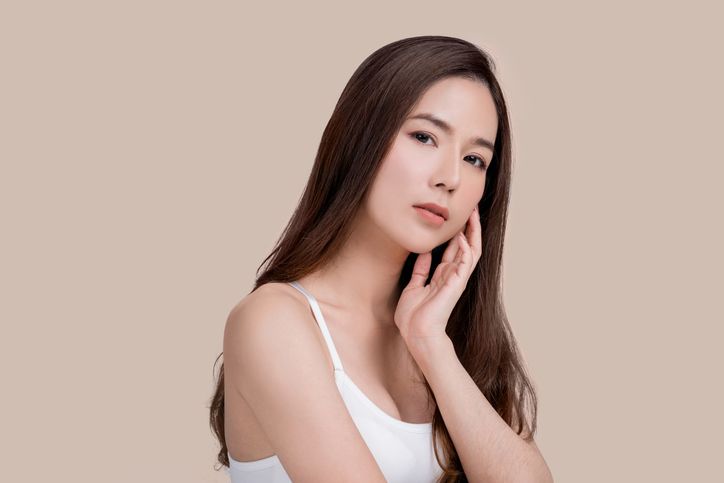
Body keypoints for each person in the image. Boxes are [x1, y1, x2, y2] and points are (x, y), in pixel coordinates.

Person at [209, 35, 553, 483]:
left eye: (474, 159)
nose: (450, 177)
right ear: (360, 138)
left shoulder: (452, 333)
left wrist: (431, 345)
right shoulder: (273, 322)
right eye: (424, 137)